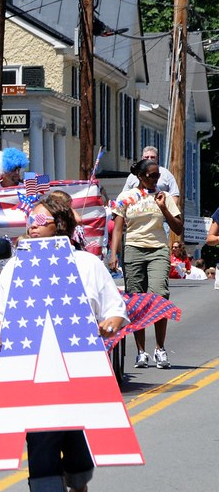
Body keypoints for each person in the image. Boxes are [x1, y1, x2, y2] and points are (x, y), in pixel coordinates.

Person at [0, 196, 127, 492]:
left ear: (59, 226)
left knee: (75, 441)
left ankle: (78, 490)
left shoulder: (87, 265)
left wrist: (109, 321)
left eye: (39, 221)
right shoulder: (17, 266)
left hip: (79, 369)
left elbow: (116, 309)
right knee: (41, 437)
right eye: (30, 221)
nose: (31, 226)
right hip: (33, 367)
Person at [108, 158, 183, 369]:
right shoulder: (125, 198)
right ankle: (141, 352)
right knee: (137, 299)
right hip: (133, 250)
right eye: (152, 176)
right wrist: (113, 254)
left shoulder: (163, 196)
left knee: (159, 295)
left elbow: (178, 228)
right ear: (140, 177)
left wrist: (164, 208)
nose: (156, 180)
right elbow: (118, 229)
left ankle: (160, 348)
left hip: (158, 249)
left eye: (158, 176)